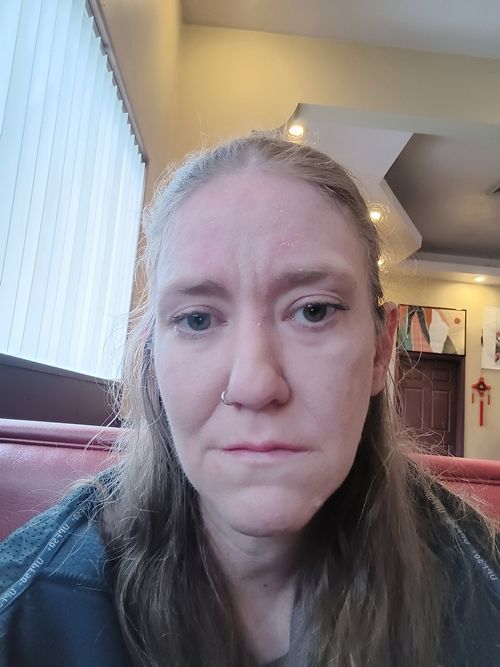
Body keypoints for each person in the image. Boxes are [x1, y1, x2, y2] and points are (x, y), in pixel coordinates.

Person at [0, 134, 499, 667]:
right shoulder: (25, 615)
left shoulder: (481, 597)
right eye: (197, 319)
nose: (255, 385)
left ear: (381, 349)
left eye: (313, 311)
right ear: (153, 358)